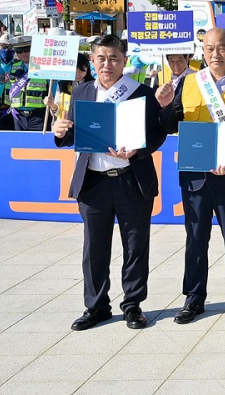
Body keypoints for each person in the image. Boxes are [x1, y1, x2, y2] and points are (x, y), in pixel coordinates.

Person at [51, 34, 167, 331]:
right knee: (95, 248)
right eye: (101, 58)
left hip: (131, 179)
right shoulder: (81, 93)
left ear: (124, 61)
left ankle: (133, 305)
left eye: (114, 58)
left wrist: (138, 150)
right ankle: (96, 306)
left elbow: (158, 133)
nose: (107, 64)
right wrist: (61, 131)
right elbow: (74, 135)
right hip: (93, 182)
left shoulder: (141, 92)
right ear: (92, 61)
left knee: (135, 246)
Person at [156, 28, 225, 325]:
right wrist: (162, 106)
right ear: (202, 50)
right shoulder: (189, 82)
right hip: (195, 178)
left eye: (222, 48)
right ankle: (193, 298)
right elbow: (170, 124)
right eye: (210, 48)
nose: (216, 54)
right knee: (195, 238)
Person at [8, 37, 50, 132]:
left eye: (27, 50)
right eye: (19, 51)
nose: (23, 53)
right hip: (18, 115)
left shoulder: (44, 67)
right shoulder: (13, 66)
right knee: (19, 145)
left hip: (39, 114)